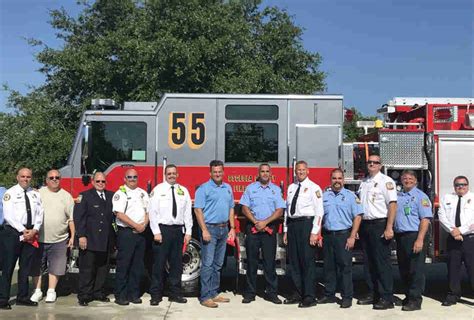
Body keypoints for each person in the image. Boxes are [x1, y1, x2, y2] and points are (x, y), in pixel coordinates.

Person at [240, 163, 286, 305]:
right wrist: (256, 222)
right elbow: (244, 208)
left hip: (269, 229)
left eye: (267, 171)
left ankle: (271, 293)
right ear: (258, 173)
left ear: (270, 173)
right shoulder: (250, 188)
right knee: (251, 262)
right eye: (262, 171)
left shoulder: (276, 190)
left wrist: (265, 222)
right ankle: (250, 293)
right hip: (253, 228)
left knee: (269, 263)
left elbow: (280, 210)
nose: (265, 174)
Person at [357, 154, 397, 309]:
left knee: (382, 262)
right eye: (370, 162)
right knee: (368, 262)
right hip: (366, 225)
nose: (372, 164)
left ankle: (386, 297)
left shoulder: (386, 181)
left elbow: (392, 205)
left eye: (375, 162)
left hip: (380, 224)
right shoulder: (364, 182)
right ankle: (372, 293)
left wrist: (389, 227)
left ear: (380, 165)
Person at [148, 164, 192, 306]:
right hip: (163, 231)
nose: (172, 175)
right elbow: (152, 212)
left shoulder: (183, 191)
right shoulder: (158, 190)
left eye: (174, 173)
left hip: (178, 231)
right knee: (159, 264)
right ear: (165, 175)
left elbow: (187, 213)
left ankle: (175, 293)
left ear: (177, 174)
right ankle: (156, 295)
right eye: (169, 173)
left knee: (176, 264)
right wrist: (156, 232)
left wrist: (189, 231)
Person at [0, 168, 44, 309]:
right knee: (8, 267)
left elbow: (40, 213)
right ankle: (3, 299)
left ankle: (23, 297)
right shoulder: (10, 193)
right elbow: (8, 215)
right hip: (13, 233)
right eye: (23, 176)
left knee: (25, 267)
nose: (26, 179)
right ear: (17, 177)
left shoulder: (35, 194)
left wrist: (35, 229)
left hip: (31, 232)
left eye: (28, 177)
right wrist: (22, 230)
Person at [319, 168, 363, 309]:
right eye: (334, 178)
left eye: (339, 178)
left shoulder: (351, 196)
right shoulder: (324, 196)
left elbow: (358, 216)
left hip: (344, 235)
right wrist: (319, 234)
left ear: (343, 180)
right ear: (330, 180)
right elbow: (319, 216)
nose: (337, 181)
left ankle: (346, 297)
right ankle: (329, 294)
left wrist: (352, 236)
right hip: (327, 235)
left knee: (345, 267)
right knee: (328, 267)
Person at [30, 169, 75, 303]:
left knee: (56, 267)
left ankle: (51, 291)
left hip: (59, 239)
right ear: (46, 180)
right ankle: (37, 291)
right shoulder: (38, 194)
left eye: (57, 177)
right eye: (51, 178)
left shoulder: (66, 196)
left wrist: (72, 237)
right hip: (39, 238)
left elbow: (71, 219)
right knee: (36, 266)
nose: (54, 180)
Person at [194, 160, 235, 308]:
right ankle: (205, 296)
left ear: (223, 172)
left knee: (218, 264)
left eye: (219, 171)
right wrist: (204, 230)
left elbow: (231, 208)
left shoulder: (227, 188)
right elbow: (198, 210)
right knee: (208, 264)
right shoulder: (203, 189)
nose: (217, 174)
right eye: (215, 172)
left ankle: (214, 293)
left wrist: (233, 228)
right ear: (210, 173)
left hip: (224, 229)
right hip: (210, 229)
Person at [282, 160, 323, 308]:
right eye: (298, 170)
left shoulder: (314, 188)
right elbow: (287, 210)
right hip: (293, 226)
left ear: (308, 171)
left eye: (303, 170)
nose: (300, 172)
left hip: (306, 225)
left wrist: (314, 232)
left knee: (307, 262)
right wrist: (286, 230)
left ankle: (309, 296)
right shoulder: (291, 187)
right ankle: (297, 293)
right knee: (294, 262)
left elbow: (319, 212)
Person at [74, 172, 114, 306]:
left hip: (105, 239)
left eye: (103, 181)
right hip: (89, 239)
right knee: (87, 269)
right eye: (98, 181)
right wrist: (81, 236)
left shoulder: (111, 196)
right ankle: (85, 295)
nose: (101, 184)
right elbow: (79, 218)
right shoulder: (85, 196)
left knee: (103, 268)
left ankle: (98, 292)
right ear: (92, 182)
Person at [394, 170, 432, 311]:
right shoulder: (399, 196)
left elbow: (425, 219)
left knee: (415, 270)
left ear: (415, 181)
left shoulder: (421, 197)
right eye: (405, 178)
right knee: (404, 269)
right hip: (401, 237)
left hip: (414, 236)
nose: (407, 180)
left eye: (410, 178)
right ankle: (408, 296)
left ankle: (415, 300)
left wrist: (420, 239)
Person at [112, 169, 150, 306]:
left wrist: (144, 225)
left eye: (134, 177)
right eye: (129, 177)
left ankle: (134, 294)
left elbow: (148, 211)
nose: (132, 179)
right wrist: (135, 225)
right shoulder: (120, 193)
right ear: (124, 178)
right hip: (126, 233)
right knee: (124, 265)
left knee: (137, 266)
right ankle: (120, 295)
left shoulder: (142, 193)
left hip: (141, 233)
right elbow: (119, 214)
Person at [438, 175, 474, 306]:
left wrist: (461, 230)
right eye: (458, 184)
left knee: (472, 268)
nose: (460, 187)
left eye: (463, 184)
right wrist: (453, 231)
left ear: (467, 185)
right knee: (453, 268)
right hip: (453, 238)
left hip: (470, 239)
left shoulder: (473, 198)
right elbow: (441, 216)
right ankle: (453, 295)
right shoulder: (447, 198)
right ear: (454, 186)